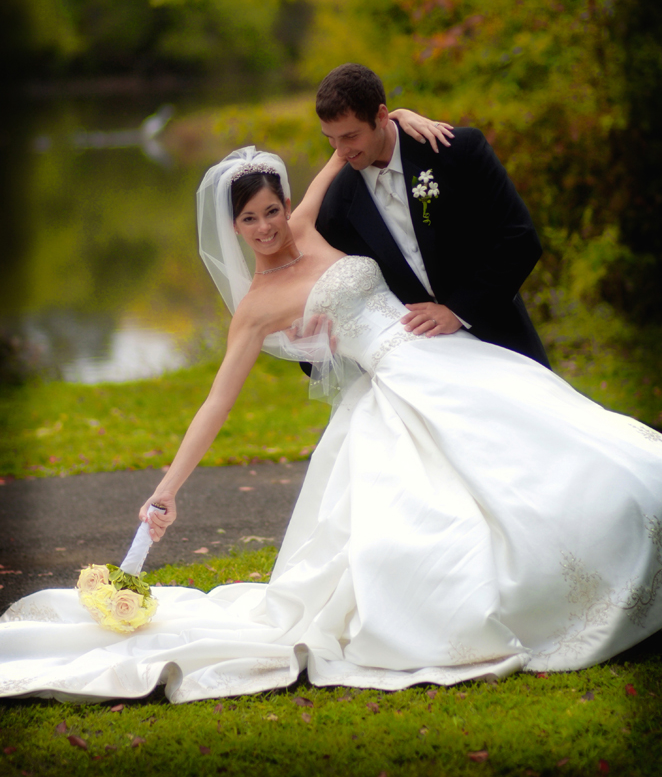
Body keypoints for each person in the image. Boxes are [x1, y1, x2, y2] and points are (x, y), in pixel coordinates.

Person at [1, 138, 662, 705]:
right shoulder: (257, 307)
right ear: (233, 228)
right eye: (251, 220)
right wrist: (167, 489)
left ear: (286, 205)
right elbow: (216, 403)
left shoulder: (311, 227)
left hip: (445, 356)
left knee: (564, 445)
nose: (267, 227)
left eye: (272, 210)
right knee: (445, 519)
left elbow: (343, 148)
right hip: (392, 388)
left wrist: (400, 122)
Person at [314, 63, 550, 367]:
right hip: (420, 367)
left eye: (350, 136)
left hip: (504, 341)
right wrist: (311, 347)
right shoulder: (337, 206)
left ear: (382, 115)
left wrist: (458, 311)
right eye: (330, 139)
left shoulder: (457, 152)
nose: (341, 150)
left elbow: (519, 240)